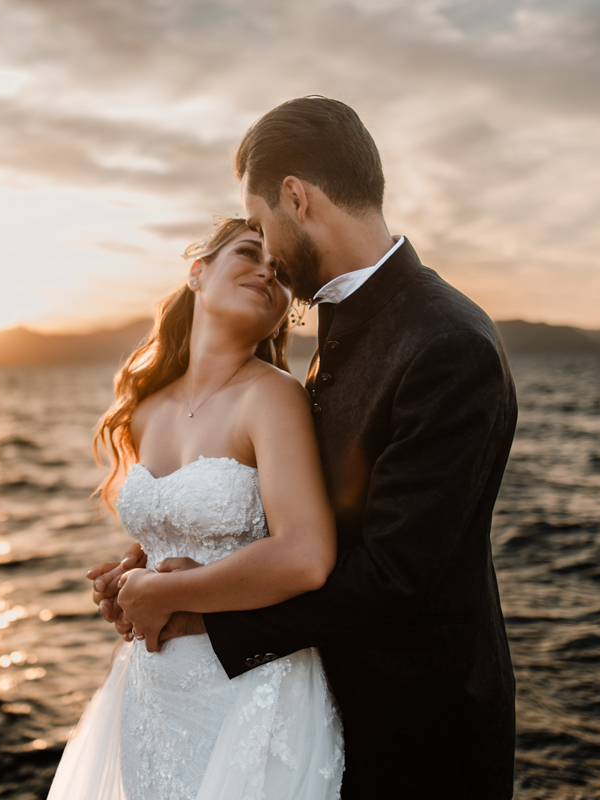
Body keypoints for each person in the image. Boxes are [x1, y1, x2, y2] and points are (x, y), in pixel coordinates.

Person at [91, 96, 519, 799]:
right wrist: (167, 563)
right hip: (312, 706)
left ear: (297, 197)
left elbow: (392, 573)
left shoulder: (447, 345)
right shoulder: (339, 336)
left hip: (419, 734)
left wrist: (190, 603)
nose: (269, 262)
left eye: (261, 225)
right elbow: (293, 502)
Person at [46, 217, 346, 800]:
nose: (267, 271)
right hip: (152, 692)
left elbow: (306, 556)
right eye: (249, 252)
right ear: (197, 273)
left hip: (249, 692)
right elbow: (169, 536)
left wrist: (166, 593)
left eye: (281, 272)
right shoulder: (145, 410)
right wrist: (128, 580)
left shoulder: (273, 396)